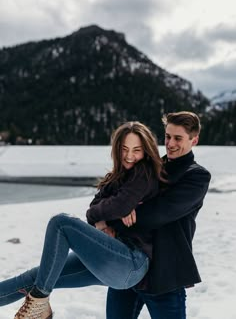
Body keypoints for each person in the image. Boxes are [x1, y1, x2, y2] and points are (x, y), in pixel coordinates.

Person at [0, 121, 163, 319]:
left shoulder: (143, 172)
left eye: (136, 150)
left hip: (130, 262)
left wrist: (113, 211)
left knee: (60, 223)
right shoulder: (117, 178)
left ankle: (40, 300)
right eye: (124, 149)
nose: (130, 156)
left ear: (146, 151)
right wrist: (104, 219)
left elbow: (116, 206)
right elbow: (93, 210)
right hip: (107, 255)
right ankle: (39, 299)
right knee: (38, 276)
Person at [106, 111, 211, 319]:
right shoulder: (149, 166)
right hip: (128, 267)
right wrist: (104, 218)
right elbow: (110, 196)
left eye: (178, 138)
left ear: (194, 140)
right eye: (167, 136)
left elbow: (156, 215)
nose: (170, 143)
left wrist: (116, 218)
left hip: (165, 276)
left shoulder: (196, 176)